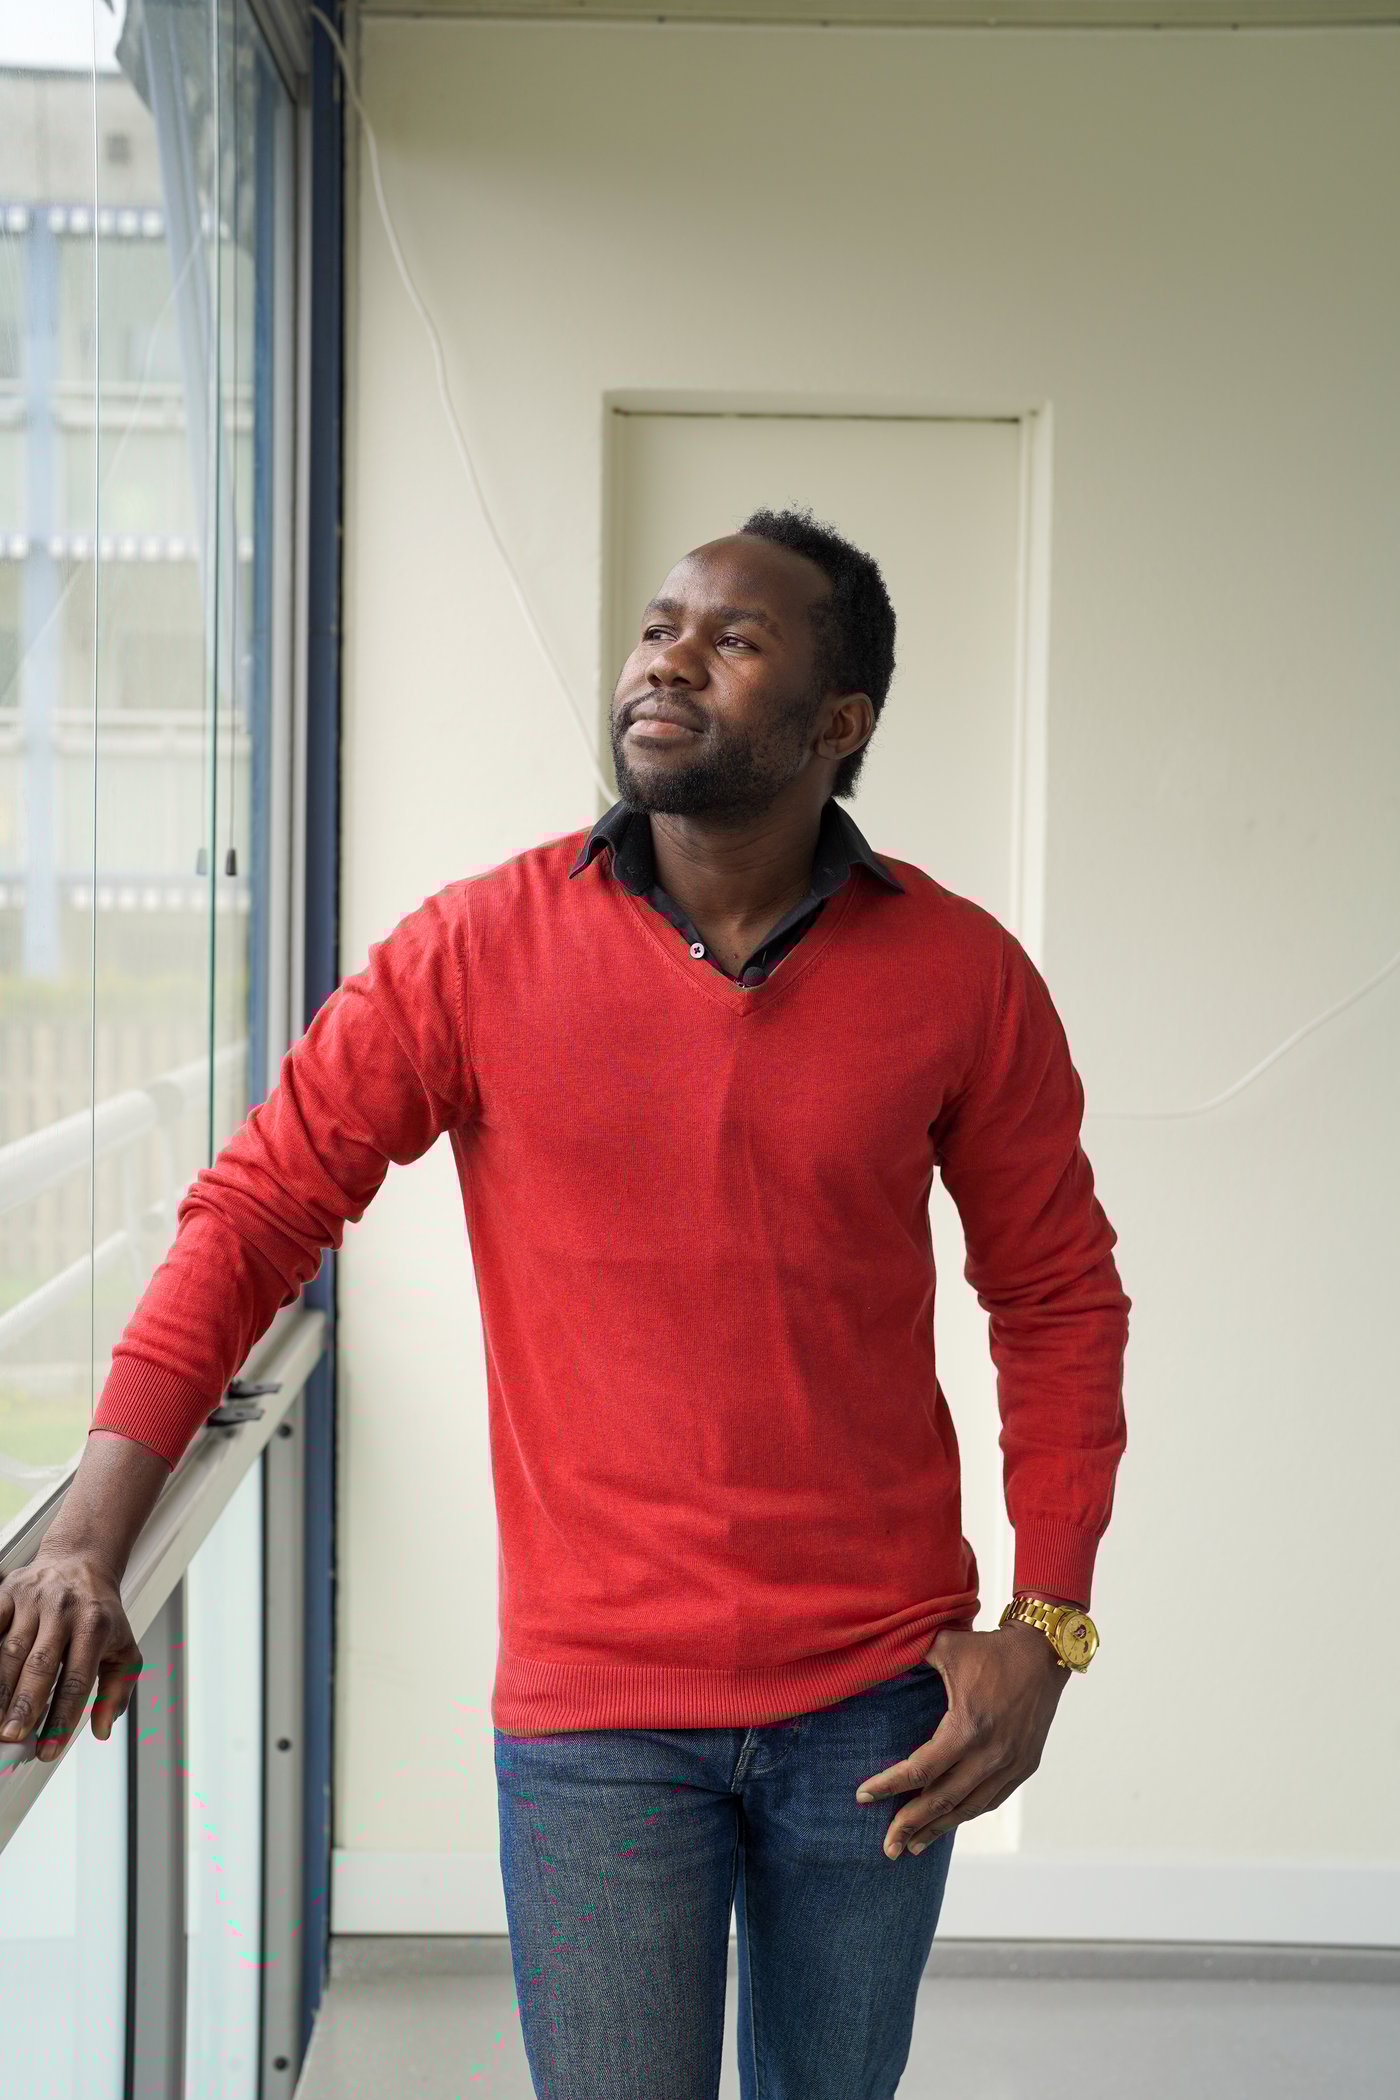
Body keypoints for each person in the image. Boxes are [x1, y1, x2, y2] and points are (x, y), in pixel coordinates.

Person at [0, 505, 1129, 2098]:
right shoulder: (474, 949)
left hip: (884, 1697)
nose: (668, 654)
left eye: (733, 639)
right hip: (596, 1711)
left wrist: (1048, 1625)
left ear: (839, 722)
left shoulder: (960, 973)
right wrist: (82, 1535)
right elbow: (255, 1210)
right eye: (661, 623)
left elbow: (1059, 1298)